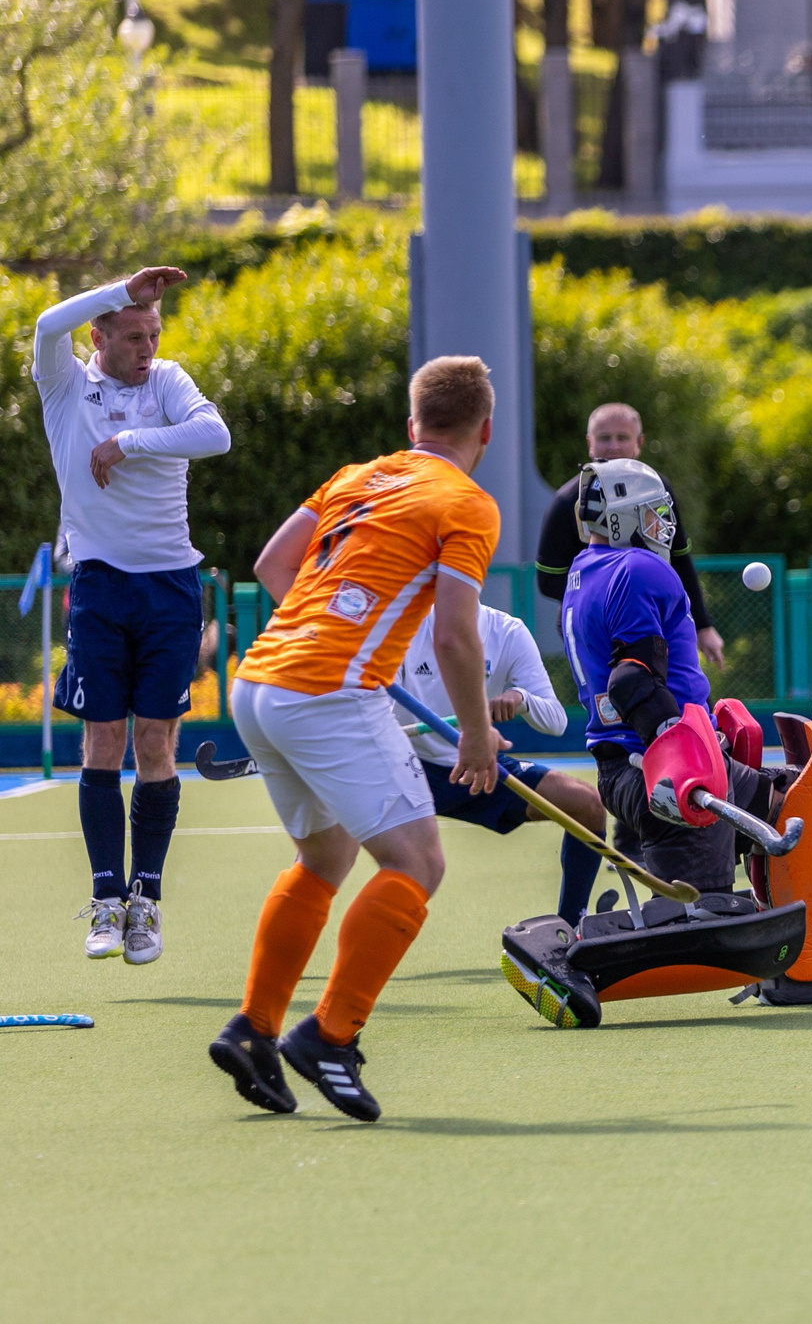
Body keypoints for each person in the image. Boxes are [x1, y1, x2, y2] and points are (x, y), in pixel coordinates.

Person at [206, 355, 507, 1122]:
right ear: (486, 430)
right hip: (327, 693)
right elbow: (455, 638)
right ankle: (330, 1036)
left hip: (259, 683)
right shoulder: (467, 503)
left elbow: (274, 565)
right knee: (418, 860)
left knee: (326, 856)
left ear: (412, 427)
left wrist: (337, 633)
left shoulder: (355, 475)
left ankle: (254, 1030)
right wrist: (476, 734)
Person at [31, 265, 232, 966]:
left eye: (155, 334)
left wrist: (130, 443)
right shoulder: (64, 384)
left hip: (171, 588)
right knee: (102, 743)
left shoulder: (167, 380)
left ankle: (145, 900)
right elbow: (45, 324)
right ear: (101, 332)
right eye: (134, 334)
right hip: (99, 587)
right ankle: (107, 898)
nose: (148, 347)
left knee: (155, 743)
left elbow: (215, 435)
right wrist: (123, 287)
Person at [561, 458, 780, 895]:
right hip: (666, 762)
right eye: (650, 511)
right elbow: (631, 682)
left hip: (629, 763)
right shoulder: (639, 567)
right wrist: (677, 759)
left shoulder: (583, 570)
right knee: (701, 911)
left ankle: (797, 940)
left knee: (795, 804)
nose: (662, 524)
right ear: (621, 516)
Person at [392, 600, 612, 925]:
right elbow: (374, 710)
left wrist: (520, 699)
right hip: (401, 765)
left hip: (477, 766)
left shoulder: (507, 631)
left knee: (587, 806)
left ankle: (569, 930)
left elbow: (556, 720)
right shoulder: (401, 623)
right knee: (328, 846)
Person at [535, 402, 722, 668]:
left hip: (655, 613)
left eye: (622, 437)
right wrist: (610, 593)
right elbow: (548, 579)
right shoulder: (568, 500)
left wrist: (703, 626)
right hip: (594, 621)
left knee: (681, 690)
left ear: (639, 443)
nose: (613, 446)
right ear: (590, 442)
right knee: (618, 697)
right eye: (604, 438)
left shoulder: (658, 490)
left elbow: (679, 558)